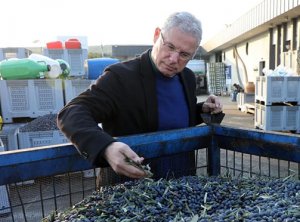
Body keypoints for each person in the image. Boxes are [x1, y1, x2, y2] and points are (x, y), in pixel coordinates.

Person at [57, 11, 222, 183]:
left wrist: (201, 109)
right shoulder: (120, 77)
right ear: (157, 35)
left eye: (184, 54)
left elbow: (172, 117)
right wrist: (106, 146)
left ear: (193, 54)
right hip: (131, 191)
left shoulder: (187, 77)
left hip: (180, 185)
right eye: (170, 47)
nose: (174, 59)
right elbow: (71, 113)